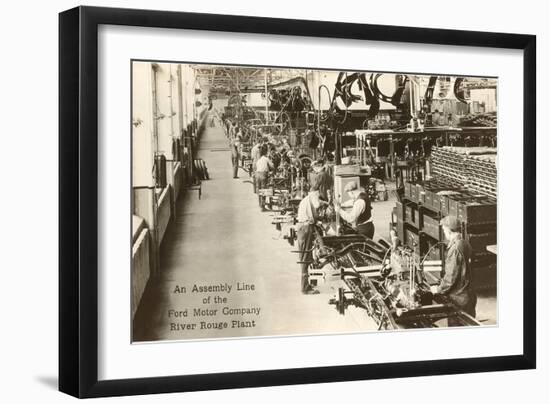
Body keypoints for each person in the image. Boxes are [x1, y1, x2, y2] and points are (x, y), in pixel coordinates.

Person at [430, 215, 477, 326]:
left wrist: (438, 289)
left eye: (444, 229)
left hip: (459, 298)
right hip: (469, 295)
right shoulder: (465, 243)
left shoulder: (455, 249)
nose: (443, 232)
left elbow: (451, 277)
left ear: (448, 229)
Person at [295, 182, 327, 295]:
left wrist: (324, 202)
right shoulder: (313, 198)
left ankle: (310, 282)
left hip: (304, 227)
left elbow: (316, 205)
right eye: (318, 195)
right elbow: (317, 205)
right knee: (305, 259)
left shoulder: (307, 199)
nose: (318, 197)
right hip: (305, 229)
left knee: (308, 257)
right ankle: (305, 288)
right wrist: (324, 204)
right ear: (315, 193)